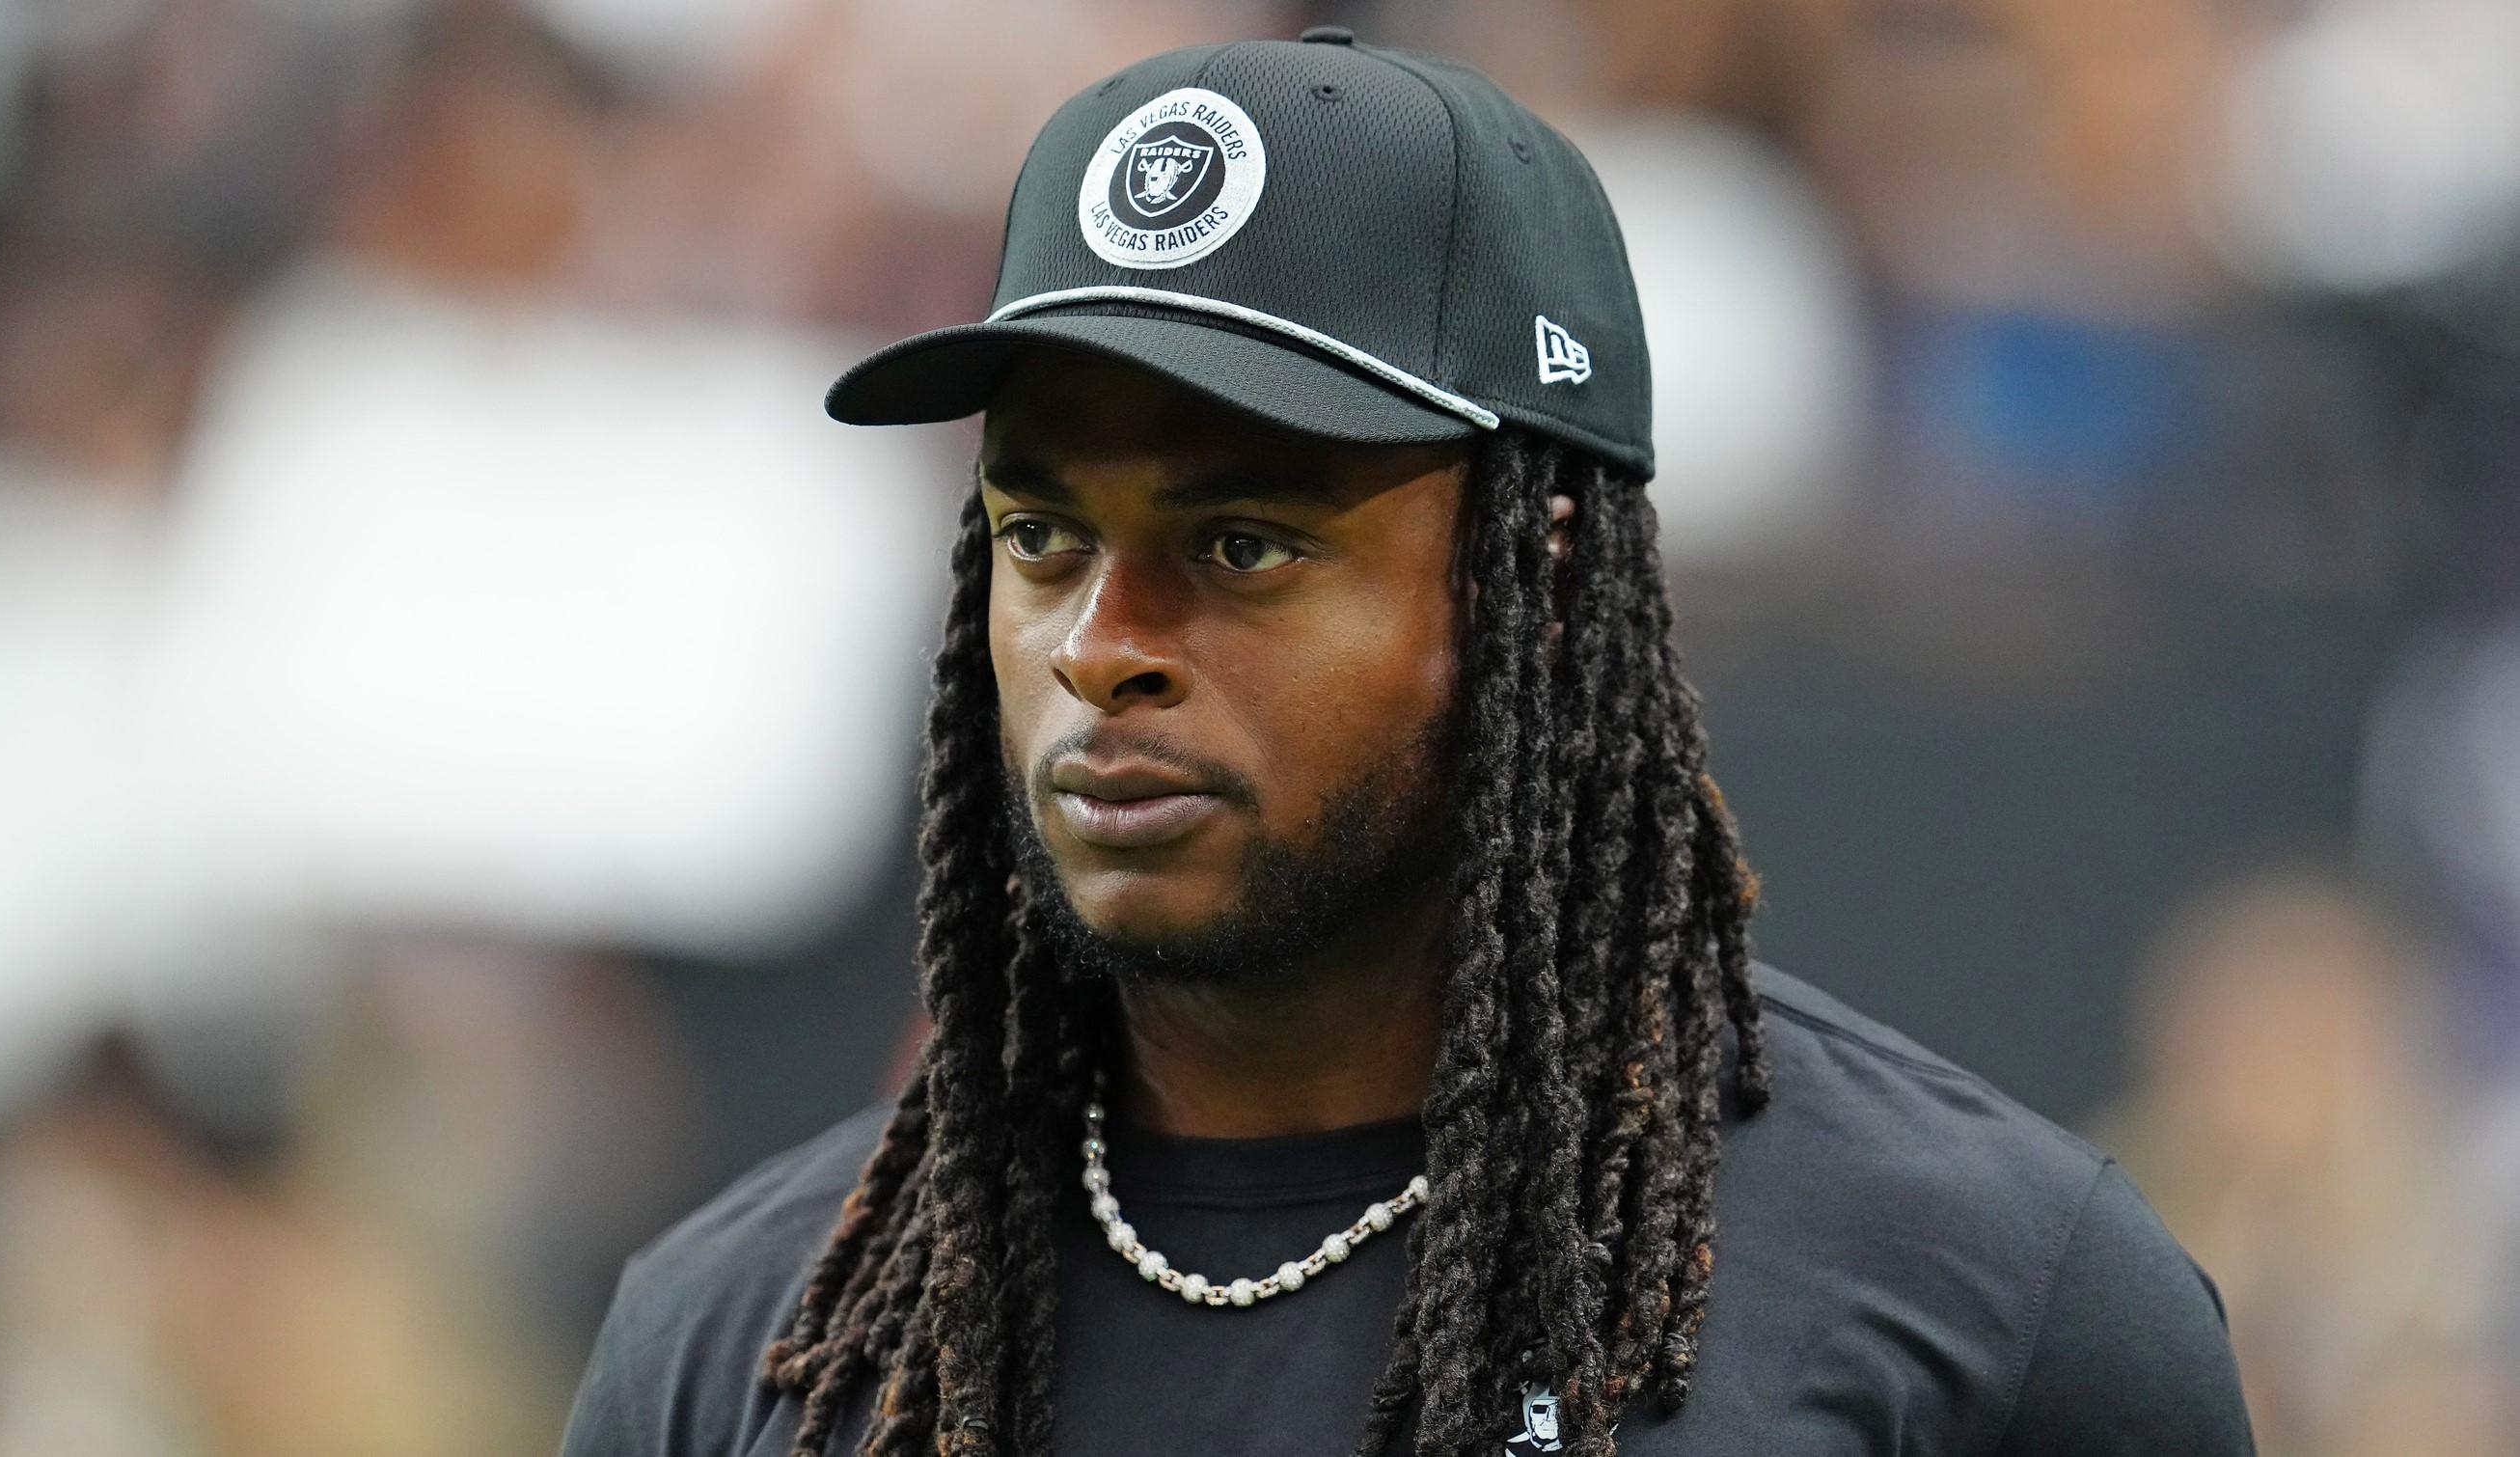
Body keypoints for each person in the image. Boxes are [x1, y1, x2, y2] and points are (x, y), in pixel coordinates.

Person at [559, 30, 2254, 1457]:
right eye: (1042, 539)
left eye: (1242, 545)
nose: (1103, 648)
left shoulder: (1992, 1308)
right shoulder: (741, 1338)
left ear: (1547, 589)